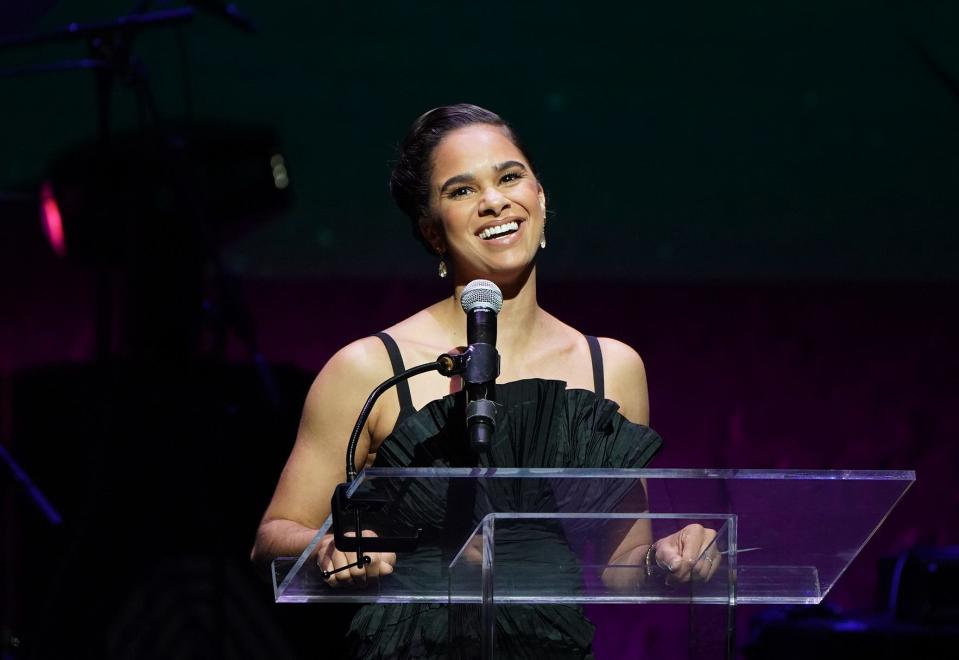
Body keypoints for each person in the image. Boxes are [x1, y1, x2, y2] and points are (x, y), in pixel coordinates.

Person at [251, 104, 719, 658]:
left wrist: (669, 560)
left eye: (509, 177)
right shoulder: (370, 367)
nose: (494, 201)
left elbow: (621, 564)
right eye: (461, 190)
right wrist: (332, 545)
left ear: (541, 198)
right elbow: (271, 539)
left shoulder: (611, 367)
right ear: (432, 231)